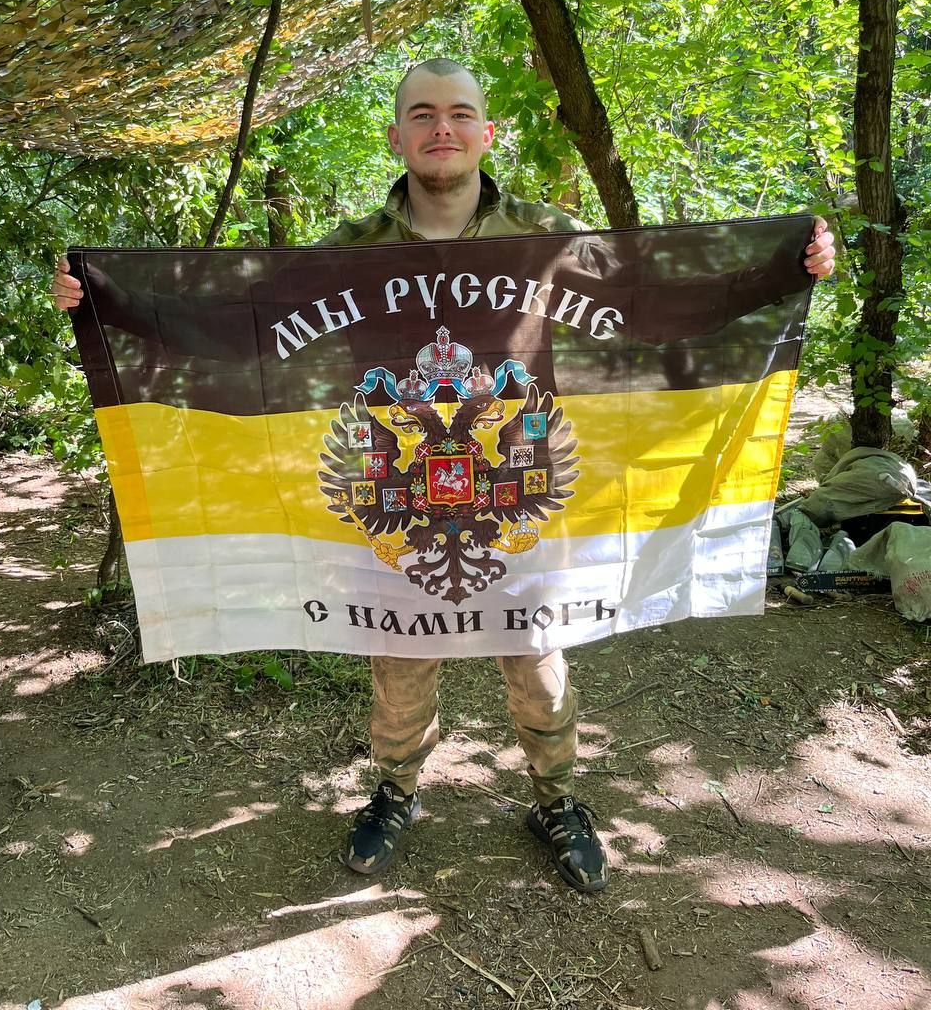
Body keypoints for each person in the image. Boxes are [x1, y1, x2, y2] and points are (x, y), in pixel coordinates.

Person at [54, 57, 836, 893]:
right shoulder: (348, 252)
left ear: (485, 133)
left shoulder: (546, 234)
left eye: (459, 113)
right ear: (396, 136)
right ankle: (396, 791)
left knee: (538, 665)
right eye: (422, 114)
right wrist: (112, 305)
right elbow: (244, 329)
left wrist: (780, 271)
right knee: (397, 668)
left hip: (513, 488)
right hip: (394, 491)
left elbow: (652, 306)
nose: (442, 129)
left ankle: (556, 797)